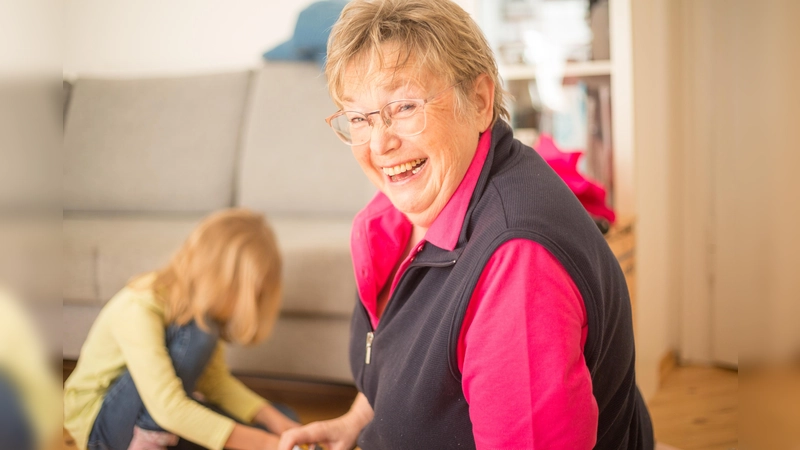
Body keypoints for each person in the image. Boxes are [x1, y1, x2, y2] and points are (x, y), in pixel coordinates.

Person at [279, 0, 654, 449]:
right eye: (359, 118)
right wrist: (357, 422)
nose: (379, 143)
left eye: (404, 107)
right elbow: (409, 363)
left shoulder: (517, 265)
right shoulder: (409, 207)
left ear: (479, 100)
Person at [64, 208, 300, 450]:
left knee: (285, 417)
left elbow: (215, 383)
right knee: (201, 335)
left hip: (161, 415)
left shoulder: (199, 311)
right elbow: (166, 407)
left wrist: (275, 421)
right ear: (221, 279)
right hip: (102, 428)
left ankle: (159, 438)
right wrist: (266, 444)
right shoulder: (139, 306)